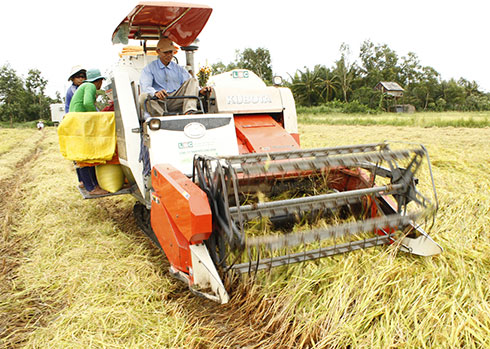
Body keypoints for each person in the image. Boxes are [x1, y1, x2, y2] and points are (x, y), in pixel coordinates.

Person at [139, 37, 211, 116]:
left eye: (171, 52)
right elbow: (145, 87)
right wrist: (156, 93)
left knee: (193, 80)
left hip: (176, 101)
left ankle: (189, 111)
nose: (169, 55)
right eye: (166, 52)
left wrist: (200, 91)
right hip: (159, 102)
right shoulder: (149, 68)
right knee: (143, 97)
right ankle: (163, 115)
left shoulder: (179, 69)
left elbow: (190, 84)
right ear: (158, 51)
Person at [69, 68, 108, 195]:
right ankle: (92, 188)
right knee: (86, 156)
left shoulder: (84, 86)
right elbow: (87, 103)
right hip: (80, 123)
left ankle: (88, 184)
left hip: (77, 122)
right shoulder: (90, 86)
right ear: (99, 81)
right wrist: (98, 116)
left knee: (84, 154)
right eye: (101, 81)